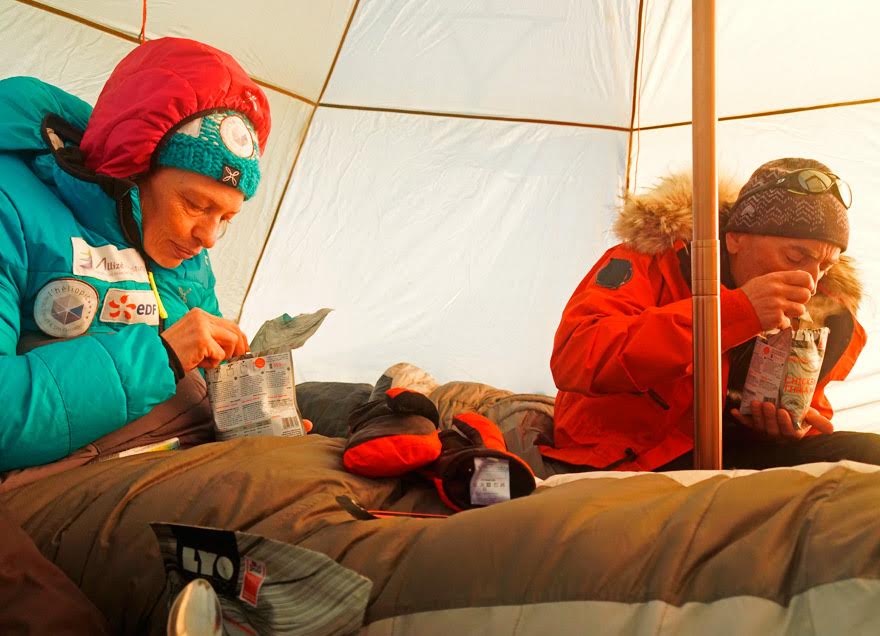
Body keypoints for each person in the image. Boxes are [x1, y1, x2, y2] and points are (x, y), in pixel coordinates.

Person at [0, 37, 270, 474]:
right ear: (133, 170)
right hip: (66, 477)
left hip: (182, 454)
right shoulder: (11, 207)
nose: (209, 238)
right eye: (197, 205)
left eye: (225, 218)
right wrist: (160, 356)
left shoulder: (185, 253)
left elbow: (210, 379)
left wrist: (252, 414)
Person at [541, 158, 880, 472]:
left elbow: (811, 409)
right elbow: (578, 356)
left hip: (737, 452)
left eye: (824, 266)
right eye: (794, 257)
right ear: (735, 239)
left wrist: (790, 426)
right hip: (633, 456)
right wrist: (733, 313)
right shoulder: (650, 261)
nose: (811, 279)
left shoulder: (821, 309)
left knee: (869, 456)